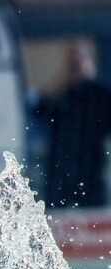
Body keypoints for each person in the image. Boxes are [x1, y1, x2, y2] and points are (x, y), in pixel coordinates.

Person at [42, 40, 111, 209]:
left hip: (91, 173)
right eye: (72, 62)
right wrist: (63, 83)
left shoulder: (102, 94)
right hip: (61, 173)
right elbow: (41, 112)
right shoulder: (62, 94)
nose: (76, 66)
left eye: (80, 60)